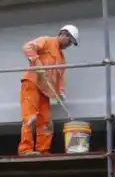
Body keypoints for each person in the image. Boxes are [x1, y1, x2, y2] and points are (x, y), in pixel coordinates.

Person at [17, 24, 79, 156]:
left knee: (46, 121)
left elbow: (60, 78)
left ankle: (43, 150)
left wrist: (61, 92)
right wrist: (37, 63)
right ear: (64, 34)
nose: (69, 45)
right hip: (32, 83)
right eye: (69, 41)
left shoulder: (62, 59)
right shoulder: (46, 41)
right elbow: (28, 47)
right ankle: (25, 149)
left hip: (45, 91)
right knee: (30, 117)